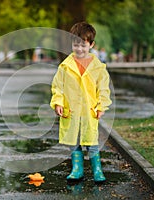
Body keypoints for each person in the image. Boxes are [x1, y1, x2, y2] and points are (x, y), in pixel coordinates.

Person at [50, 22, 112, 183]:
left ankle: (97, 169)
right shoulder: (65, 67)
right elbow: (58, 87)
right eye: (76, 45)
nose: (79, 49)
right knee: (74, 140)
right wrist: (58, 102)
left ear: (91, 45)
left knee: (91, 141)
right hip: (71, 110)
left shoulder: (98, 68)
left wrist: (101, 106)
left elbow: (103, 89)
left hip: (89, 110)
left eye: (83, 45)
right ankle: (77, 169)